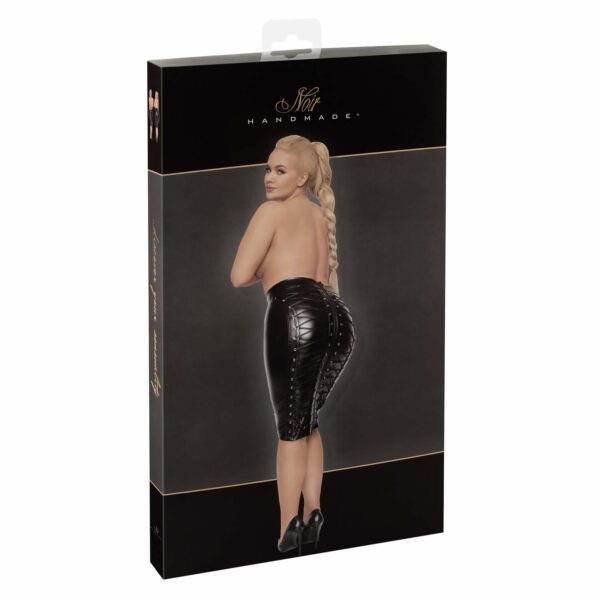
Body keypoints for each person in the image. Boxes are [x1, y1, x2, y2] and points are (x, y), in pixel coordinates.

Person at [230, 134, 356, 555]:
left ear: (302, 178)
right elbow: (320, 275)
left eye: (280, 170)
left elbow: (239, 275)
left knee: (290, 429)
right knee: (308, 421)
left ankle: (288, 526)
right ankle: (314, 510)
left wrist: (269, 265)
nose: (269, 177)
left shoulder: (271, 212)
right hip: (338, 318)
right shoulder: (320, 215)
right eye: (268, 169)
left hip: (296, 316)